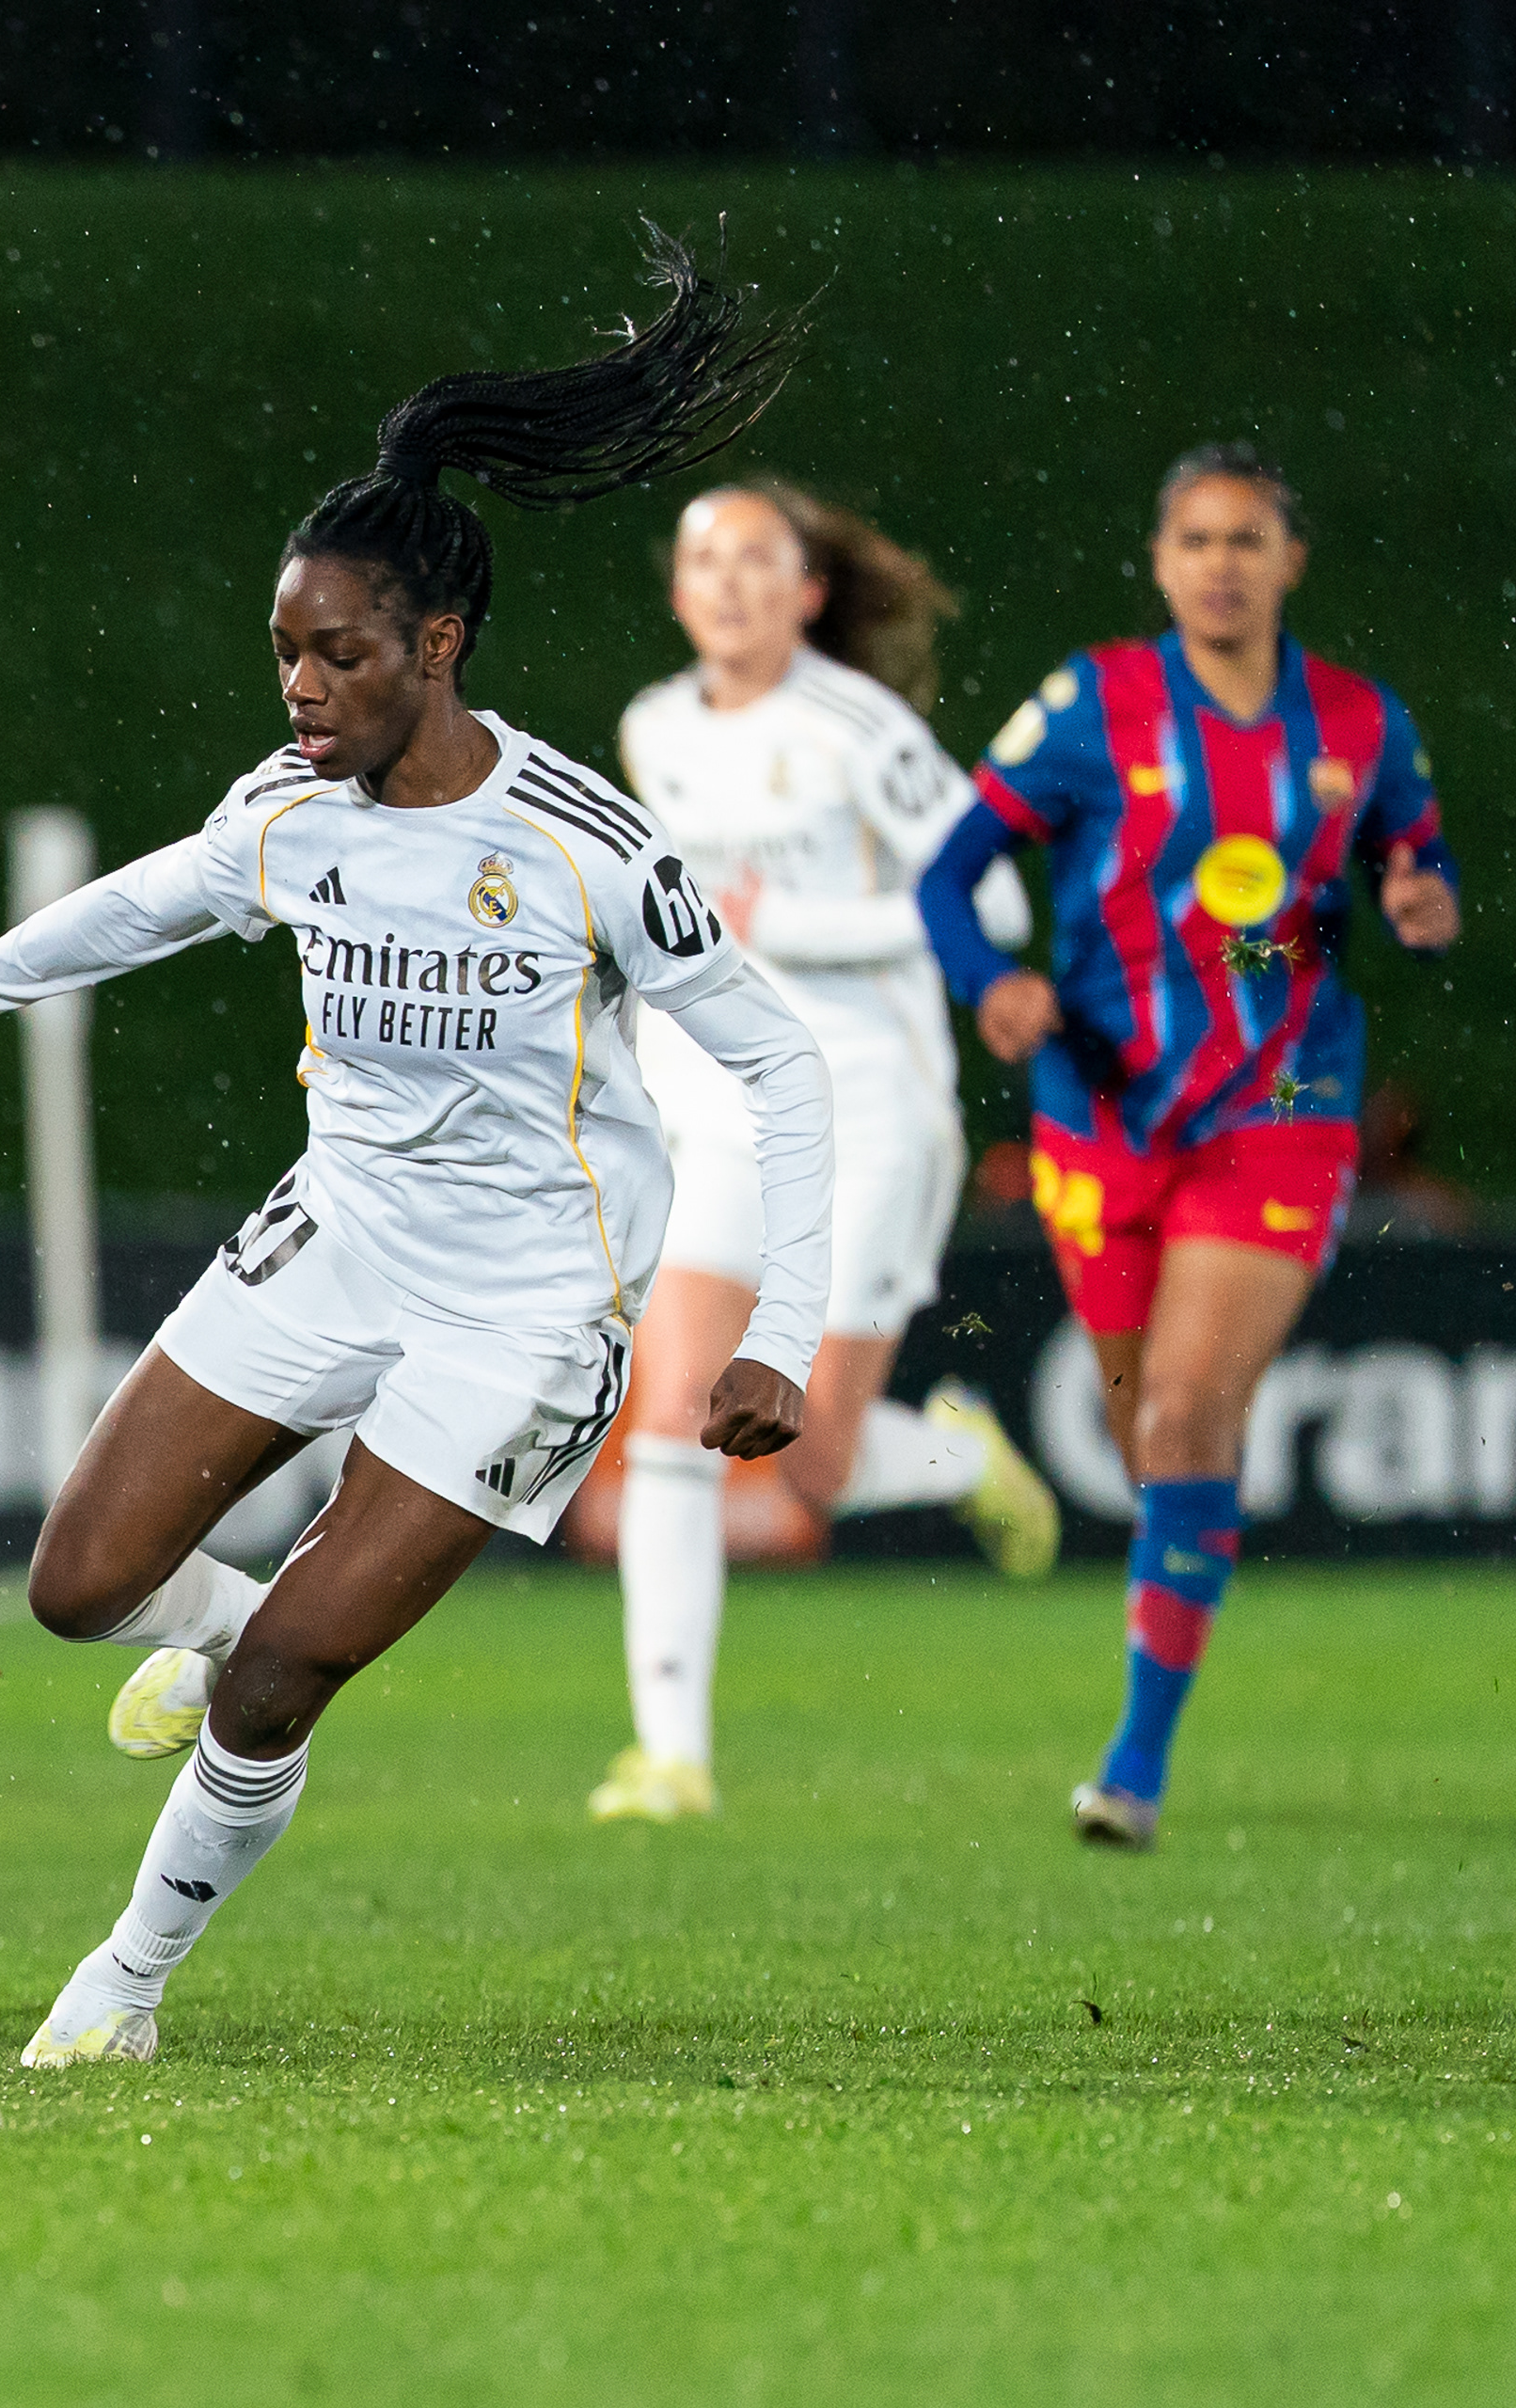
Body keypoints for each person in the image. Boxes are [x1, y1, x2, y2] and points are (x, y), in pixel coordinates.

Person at [0, 225, 834, 2066]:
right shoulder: (291, 807)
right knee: (78, 1583)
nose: (299, 688)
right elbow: (145, 903)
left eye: (337, 655)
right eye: (283, 651)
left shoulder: (587, 846)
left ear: (437, 646)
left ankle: (123, 1984)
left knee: (278, 1674)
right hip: (340, 1235)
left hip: (529, 1307)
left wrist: (782, 1332)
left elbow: (785, 1066)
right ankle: (232, 1640)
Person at [916, 441, 1461, 1852]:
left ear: (1291, 561)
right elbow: (949, 873)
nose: (1222, 565)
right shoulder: (1094, 704)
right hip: (1099, 1115)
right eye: (1198, 541)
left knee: (1179, 1415)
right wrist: (993, 984)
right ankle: (1184, 1567)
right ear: (1161, 564)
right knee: (1147, 1444)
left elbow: (1417, 855)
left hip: (1282, 1109)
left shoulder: (1358, 723)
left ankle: (1134, 1771)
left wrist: (1423, 901)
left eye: (1247, 540)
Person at [569, 481, 1063, 1825]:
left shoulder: (862, 730)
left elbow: (994, 901)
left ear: (808, 594)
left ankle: (960, 1457)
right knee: (677, 1417)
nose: (730, 584)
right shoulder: (656, 729)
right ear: (679, 593)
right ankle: (671, 1756)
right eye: (705, 562)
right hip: (725, 1104)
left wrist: (792, 923)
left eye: (759, 562)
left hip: (868, 1106)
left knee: (807, 1465)